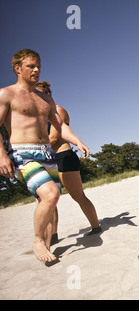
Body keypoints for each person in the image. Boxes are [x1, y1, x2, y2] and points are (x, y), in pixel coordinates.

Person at [0, 49, 90, 263]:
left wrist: (77, 141)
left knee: (47, 201)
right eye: (31, 66)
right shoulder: (6, 94)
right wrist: (2, 156)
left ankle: (47, 248)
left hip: (47, 154)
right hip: (22, 154)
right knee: (50, 194)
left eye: (38, 66)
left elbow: (60, 126)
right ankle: (38, 240)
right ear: (18, 68)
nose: (37, 70)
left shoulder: (45, 99)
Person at [35, 81, 101, 244]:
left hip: (64, 156)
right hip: (48, 159)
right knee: (48, 199)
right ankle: (54, 235)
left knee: (78, 195)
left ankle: (96, 227)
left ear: (48, 95)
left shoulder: (58, 110)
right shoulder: (39, 115)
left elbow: (55, 137)